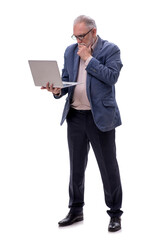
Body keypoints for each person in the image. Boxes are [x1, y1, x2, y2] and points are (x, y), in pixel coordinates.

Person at [41, 15, 123, 232]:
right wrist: (57, 89)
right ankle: (76, 210)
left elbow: (112, 77)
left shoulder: (110, 50)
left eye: (81, 36)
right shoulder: (70, 51)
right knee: (76, 167)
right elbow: (66, 78)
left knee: (108, 167)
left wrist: (89, 59)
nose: (78, 40)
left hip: (100, 118)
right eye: (75, 36)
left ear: (93, 32)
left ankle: (115, 214)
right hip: (75, 116)